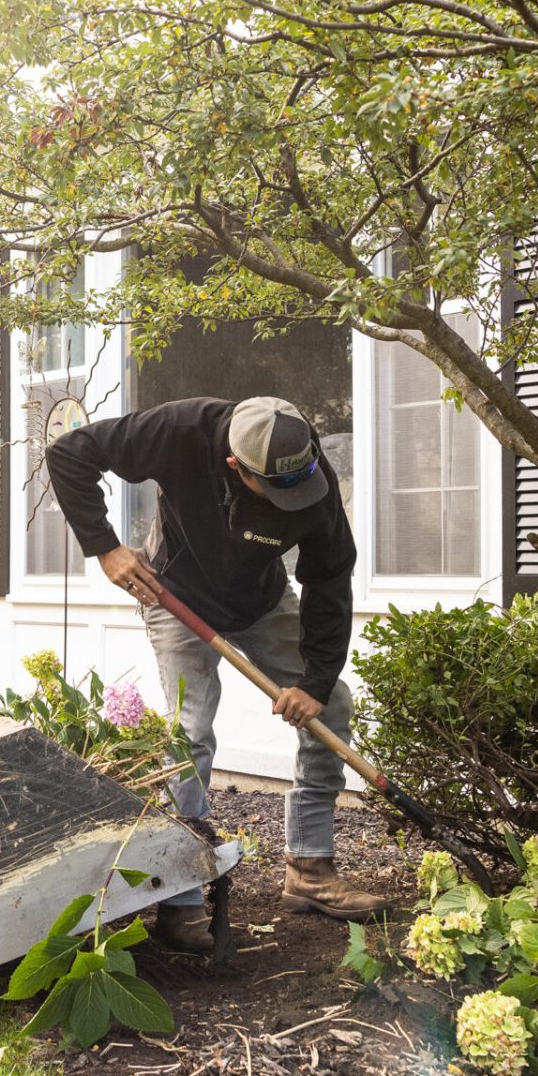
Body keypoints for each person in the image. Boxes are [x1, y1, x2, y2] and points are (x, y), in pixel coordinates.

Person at [46, 395, 390, 953]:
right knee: (190, 734)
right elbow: (69, 453)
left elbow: (330, 578)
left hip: (260, 601)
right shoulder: (179, 430)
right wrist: (104, 547)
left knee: (333, 703)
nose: (289, 500)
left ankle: (309, 868)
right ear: (235, 465)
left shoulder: (310, 475)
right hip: (175, 596)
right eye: (273, 490)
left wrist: (314, 683)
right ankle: (180, 893)